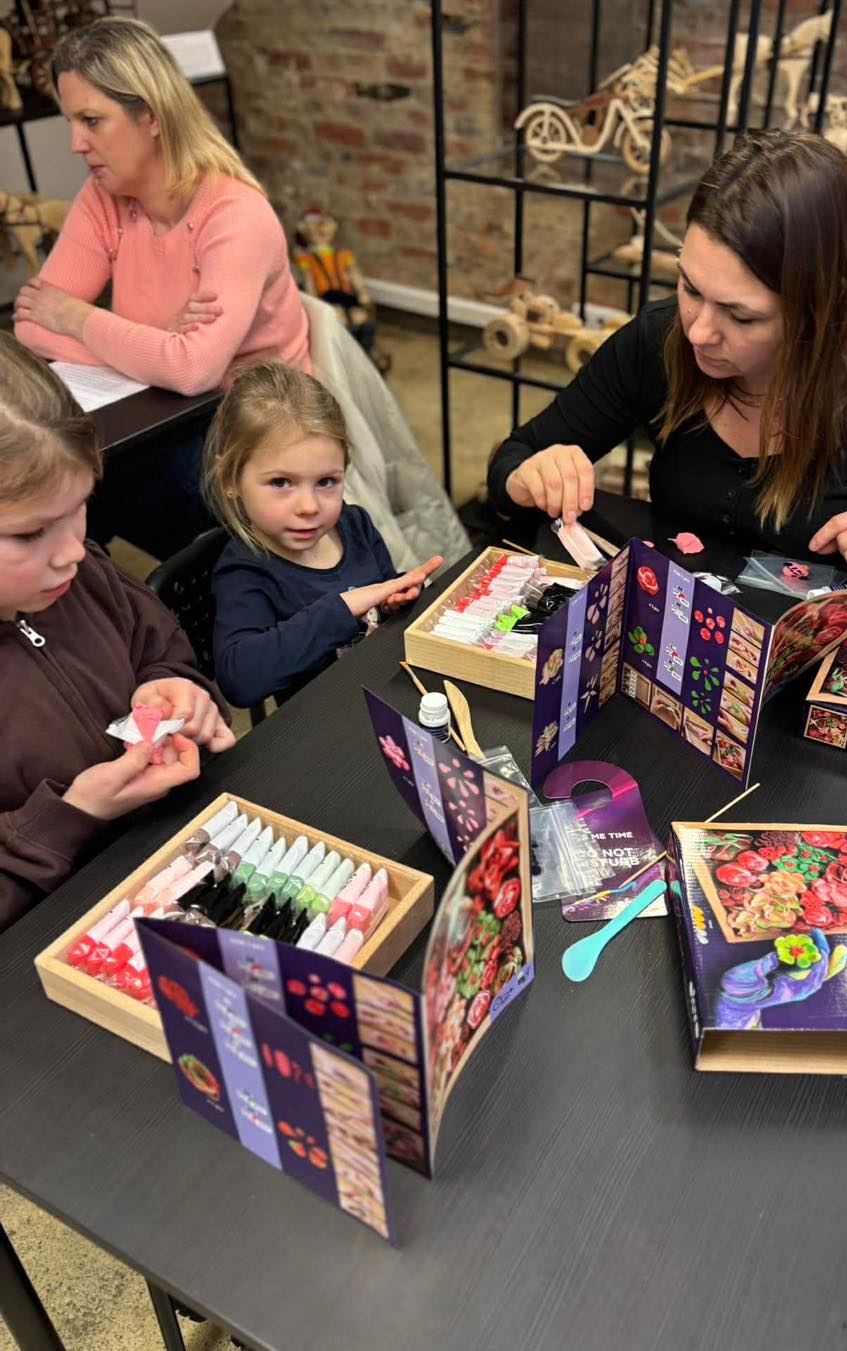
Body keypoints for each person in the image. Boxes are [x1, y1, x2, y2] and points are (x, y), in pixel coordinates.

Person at [488, 130, 847, 598]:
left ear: (815, 310)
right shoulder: (660, 340)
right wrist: (526, 477)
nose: (699, 331)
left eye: (741, 315)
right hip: (688, 632)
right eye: (689, 287)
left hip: (830, 652)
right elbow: (513, 458)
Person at [12, 17, 311, 558]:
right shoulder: (103, 197)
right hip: (162, 412)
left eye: (92, 121)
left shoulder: (234, 214)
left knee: (72, 483)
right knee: (48, 479)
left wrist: (78, 317)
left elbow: (192, 372)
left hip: (256, 434)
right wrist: (156, 347)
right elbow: (31, 323)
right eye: (71, 122)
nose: (77, 144)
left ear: (150, 115)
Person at [0, 335, 235, 933]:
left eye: (81, 505)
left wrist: (173, 689)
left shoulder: (84, 577)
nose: (73, 551)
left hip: (172, 868)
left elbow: (160, 649)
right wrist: (73, 815)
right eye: (30, 534)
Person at [203, 362, 442, 709]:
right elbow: (240, 680)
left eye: (326, 481)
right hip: (325, 723)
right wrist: (343, 608)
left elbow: (382, 605)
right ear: (230, 480)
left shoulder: (355, 525)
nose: (308, 507)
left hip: (387, 695)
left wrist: (396, 600)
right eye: (281, 483)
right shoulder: (244, 572)